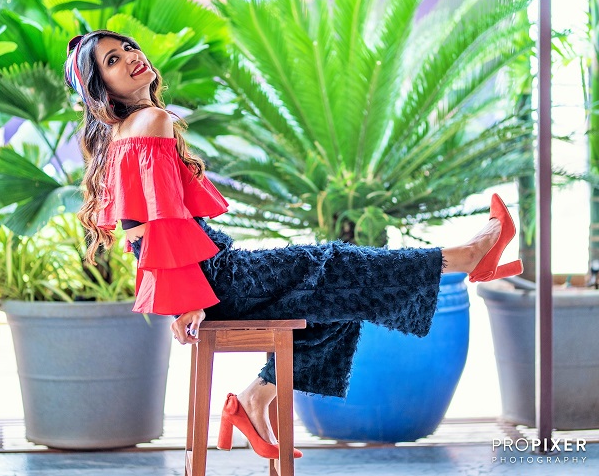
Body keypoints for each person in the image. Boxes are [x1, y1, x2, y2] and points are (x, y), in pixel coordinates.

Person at [66, 30, 523, 459]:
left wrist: (180, 298)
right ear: (102, 90)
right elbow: (157, 225)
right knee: (331, 262)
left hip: (209, 274)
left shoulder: (123, 135)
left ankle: (254, 399)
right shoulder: (151, 122)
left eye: (128, 47)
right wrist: (187, 301)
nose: (130, 57)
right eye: (113, 60)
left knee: (340, 301)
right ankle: (467, 257)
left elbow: (138, 231)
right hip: (214, 278)